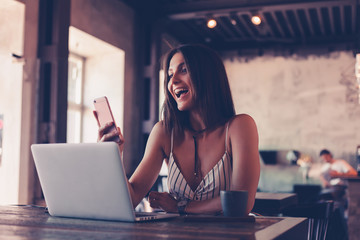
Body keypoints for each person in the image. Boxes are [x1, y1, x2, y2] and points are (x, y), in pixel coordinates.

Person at [95, 44, 260, 215]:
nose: (172, 82)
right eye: (170, 75)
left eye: (184, 70)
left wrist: (181, 207)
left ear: (208, 76)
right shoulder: (164, 132)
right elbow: (131, 199)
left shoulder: (239, 126)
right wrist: (114, 154)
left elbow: (243, 202)